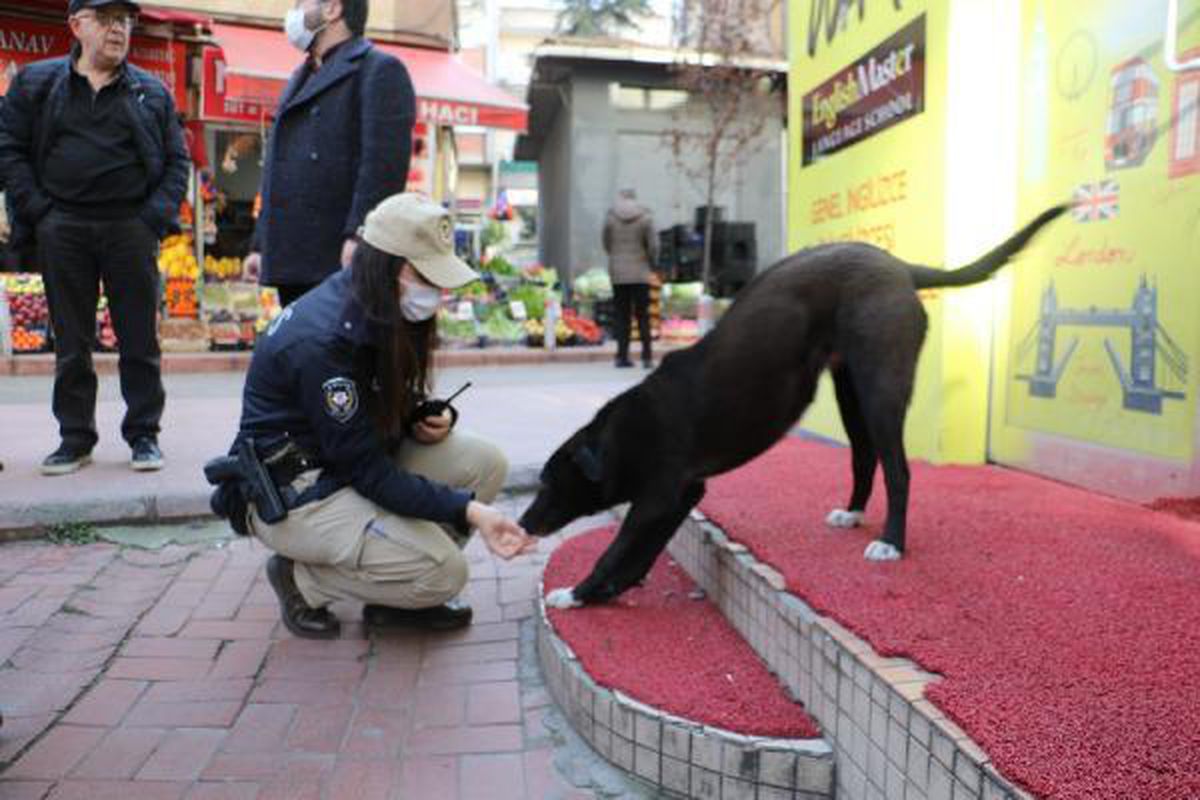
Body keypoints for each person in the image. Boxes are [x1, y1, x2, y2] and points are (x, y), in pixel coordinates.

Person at [222, 193, 536, 639]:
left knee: (486, 463)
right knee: (448, 572)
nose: (437, 291)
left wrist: (417, 417)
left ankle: (401, 590)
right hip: (298, 491)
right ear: (388, 265)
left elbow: (370, 414)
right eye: (426, 274)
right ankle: (301, 580)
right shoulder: (323, 341)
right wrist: (469, 512)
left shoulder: (370, 305)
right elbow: (368, 470)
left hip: (342, 465)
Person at [0, 0, 189, 476]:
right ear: (77, 25)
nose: (118, 29)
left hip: (130, 227)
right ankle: (75, 438)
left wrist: (152, 219)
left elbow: (176, 162)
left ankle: (144, 434)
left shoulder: (152, 92)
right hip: (63, 227)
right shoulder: (38, 85)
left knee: (139, 338)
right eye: (106, 19)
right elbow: (10, 148)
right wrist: (41, 213)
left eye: (125, 20)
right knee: (71, 341)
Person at [243, 0, 415, 308]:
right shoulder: (300, 76)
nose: (294, 13)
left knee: (336, 352)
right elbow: (277, 169)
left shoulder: (379, 69)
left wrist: (361, 236)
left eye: (302, 3)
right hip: (293, 259)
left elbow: (383, 166)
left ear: (332, 9)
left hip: (338, 256)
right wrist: (260, 245)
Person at [602, 188, 658, 369]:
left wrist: (615, 256)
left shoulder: (611, 216)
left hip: (618, 274)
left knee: (622, 316)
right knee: (643, 316)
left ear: (621, 198)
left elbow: (606, 241)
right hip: (640, 273)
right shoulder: (645, 217)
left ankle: (621, 357)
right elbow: (654, 245)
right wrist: (650, 262)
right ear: (635, 198)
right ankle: (647, 357)